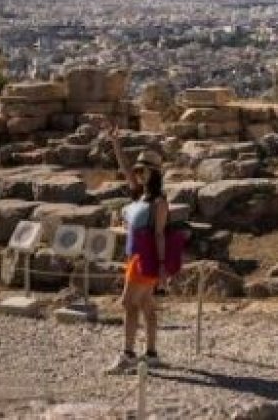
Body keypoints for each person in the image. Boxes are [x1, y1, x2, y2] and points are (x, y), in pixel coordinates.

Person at [103, 122, 168, 375]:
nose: (140, 174)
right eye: (139, 170)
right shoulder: (138, 195)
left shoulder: (159, 202)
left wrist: (162, 269)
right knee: (146, 306)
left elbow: (160, 234)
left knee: (128, 303)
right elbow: (124, 169)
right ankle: (151, 354)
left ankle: (128, 354)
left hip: (146, 258)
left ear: (155, 173)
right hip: (135, 256)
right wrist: (115, 142)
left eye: (145, 171)